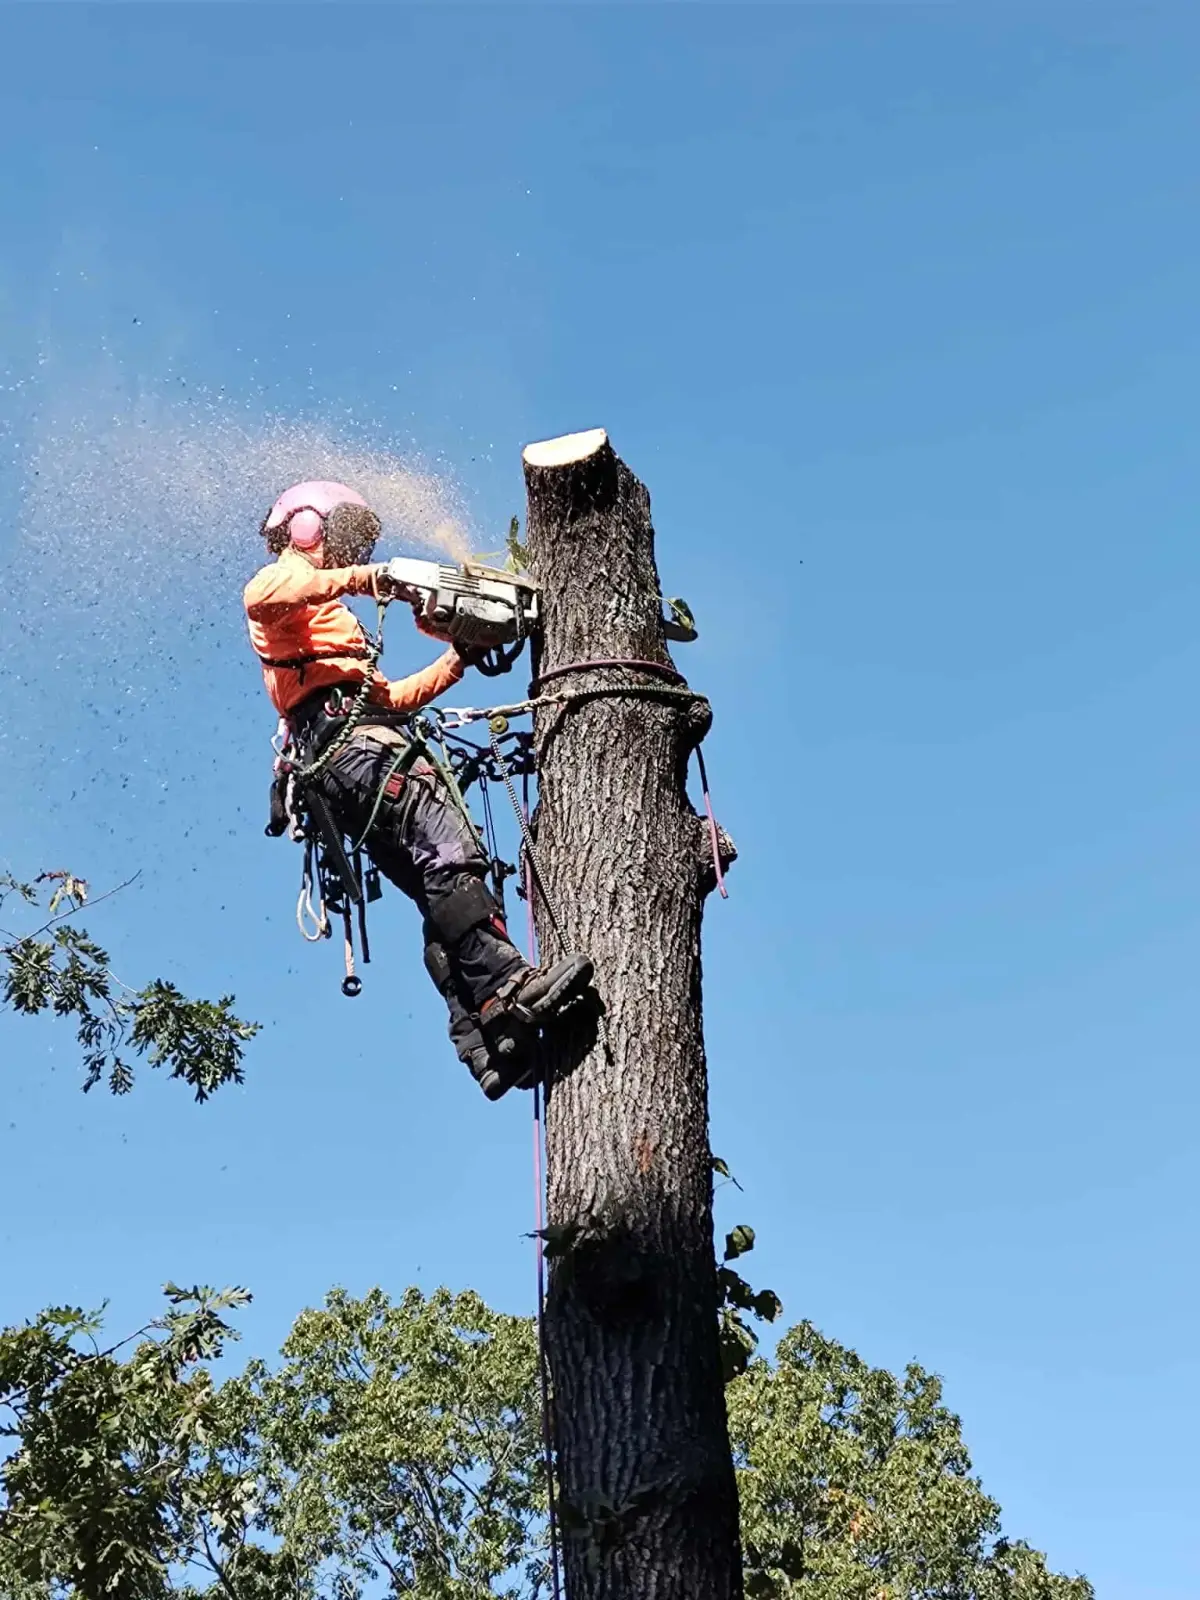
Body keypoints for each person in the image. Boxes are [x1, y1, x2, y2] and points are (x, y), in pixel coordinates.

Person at [243, 479, 593, 1100]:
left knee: (440, 887)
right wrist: (373, 577)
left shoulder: (327, 630)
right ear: (305, 529)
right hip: (358, 755)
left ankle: (487, 1038)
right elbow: (261, 596)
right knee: (451, 851)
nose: (346, 555)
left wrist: (461, 654)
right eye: (340, 539)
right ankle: (507, 984)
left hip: (355, 754)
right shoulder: (283, 592)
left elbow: (392, 698)